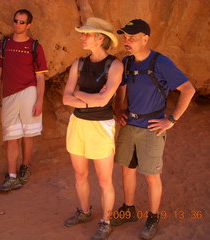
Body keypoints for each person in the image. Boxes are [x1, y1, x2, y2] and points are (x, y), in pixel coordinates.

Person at [112, 19, 195, 239]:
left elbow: (188, 89)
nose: (126, 41)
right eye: (125, 38)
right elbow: (121, 87)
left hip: (151, 127)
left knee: (151, 175)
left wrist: (172, 120)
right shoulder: (127, 62)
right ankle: (128, 209)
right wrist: (118, 109)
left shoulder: (160, 62)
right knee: (127, 169)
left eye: (132, 38)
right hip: (129, 124)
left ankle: (153, 217)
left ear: (145, 39)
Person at [62, 17, 123, 240]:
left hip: (100, 126)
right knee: (80, 174)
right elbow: (66, 99)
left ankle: (105, 221)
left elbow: (104, 101)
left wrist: (78, 94)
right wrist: (89, 97)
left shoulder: (115, 65)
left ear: (100, 38)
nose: (82, 37)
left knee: (104, 180)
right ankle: (85, 211)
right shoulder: (78, 64)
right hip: (78, 123)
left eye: (86, 34)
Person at [0, 9, 48, 192]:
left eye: (22, 22)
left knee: (28, 134)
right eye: (16, 21)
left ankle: (24, 167)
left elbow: (40, 77)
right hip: (8, 95)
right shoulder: (3, 44)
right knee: (11, 136)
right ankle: (12, 176)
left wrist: (39, 101)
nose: (18, 25)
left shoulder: (35, 47)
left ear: (29, 25)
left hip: (28, 92)